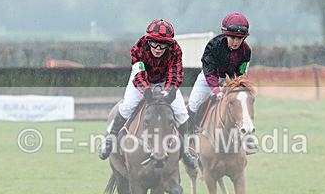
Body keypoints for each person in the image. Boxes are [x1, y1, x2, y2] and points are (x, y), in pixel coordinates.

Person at [97, 19, 198, 169]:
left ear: (169, 44)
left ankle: (185, 152)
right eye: (154, 43)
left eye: (162, 44)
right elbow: (139, 75)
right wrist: (146, 91)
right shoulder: (138, 48)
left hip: (165, 81)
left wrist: (170, 90)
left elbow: (175, 73)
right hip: (142, 80)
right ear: (148, 41)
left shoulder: (176, 50)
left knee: (182, 113)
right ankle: (109, 138)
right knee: (127, 107)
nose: (158, 48)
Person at [187, 12, 257, 154]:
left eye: (240, 38)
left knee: (242, 102)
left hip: (231, 79)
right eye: (232, 38)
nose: (236, 42)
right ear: (225, 35)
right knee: (194, 103)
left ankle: (247, 140)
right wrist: (217, 91)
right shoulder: (213, 46)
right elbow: (209, 71)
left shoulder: (246, 50)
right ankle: (188, 139)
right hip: (209, 77)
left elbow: (241, 73)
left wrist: (239, 87)